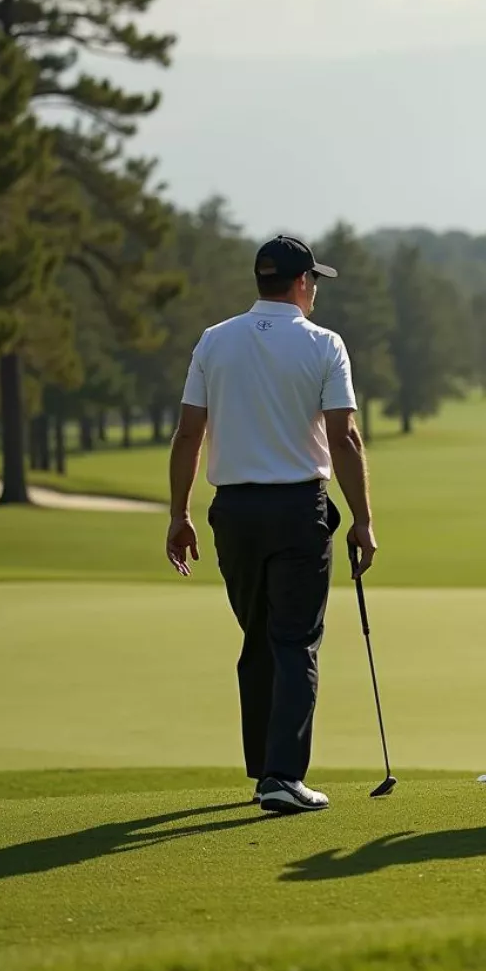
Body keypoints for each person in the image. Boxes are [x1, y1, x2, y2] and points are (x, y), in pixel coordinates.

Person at [165, 235, 378, 816]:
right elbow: (345, 436)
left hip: (232, 514)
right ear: (302, 283)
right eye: (314, 283)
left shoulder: (215, 340)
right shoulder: (324, 344)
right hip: (297, 512)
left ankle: (266, 769)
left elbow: (189, 433)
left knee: (259, 636)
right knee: (294, 640)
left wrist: (180, 513)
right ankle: (283, 776)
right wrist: (362, 519)